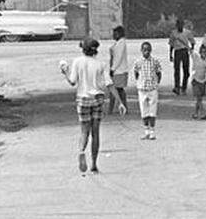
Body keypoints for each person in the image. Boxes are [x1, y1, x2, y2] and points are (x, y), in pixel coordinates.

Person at [65, 38, 122, 174]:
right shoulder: (101, 64)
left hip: (83, 99)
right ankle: (94, 164)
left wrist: (65, 73)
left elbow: (72, 82)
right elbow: (109, 84)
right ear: (95, 50)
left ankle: (81, 151)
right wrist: (119, 101)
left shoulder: (78, 62)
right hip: (97, 100)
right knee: (95, 133)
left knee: (84, 131)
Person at [133, 41, 163, 140]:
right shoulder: (138, 62)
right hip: (142, 89)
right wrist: (139, 83)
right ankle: (146, 131)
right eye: (144, 50)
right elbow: (136, 73)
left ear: (151, 50)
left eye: (148, 50)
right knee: (144, 111)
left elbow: (159, 73)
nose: (146, 52)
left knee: (152, 111)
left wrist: (156, 83)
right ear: (141, 50)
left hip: (152, 89)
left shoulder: (155, 61)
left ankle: (152, 131)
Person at [108, 25, 129, 113]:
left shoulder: (121, 43)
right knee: (119, 90)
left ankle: (111, 109)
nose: (113, 35)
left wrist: (112, 69)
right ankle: (123, 107)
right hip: (118, 70)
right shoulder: (118, 43)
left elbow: (118, 58)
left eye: (115, 33)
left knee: (115, 90)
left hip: (119, 70)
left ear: (119, 34)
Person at [168, 19, 193, 95]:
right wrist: (170, 54)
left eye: (181, 25)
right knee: (177, 70)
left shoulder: (187, 32)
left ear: (183, 25)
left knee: (186, 71)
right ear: (176, 26)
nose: (180, 27)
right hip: (177, 52)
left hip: (185, 51)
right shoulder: (173, 33)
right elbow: (171, 44)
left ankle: (184, 87)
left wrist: (192, 49)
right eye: (178, 25)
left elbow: (192, 41)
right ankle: (177, 87)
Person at [190, 41, 206, 120]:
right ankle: (202, 113)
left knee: (199, 99)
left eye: (205, 52)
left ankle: (195, 113)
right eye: (202, 52)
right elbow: (190, 50)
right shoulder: (196, 57)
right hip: (195, 80)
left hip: (203, 82)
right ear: (200, 52)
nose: (204, 54)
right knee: (198, 97)